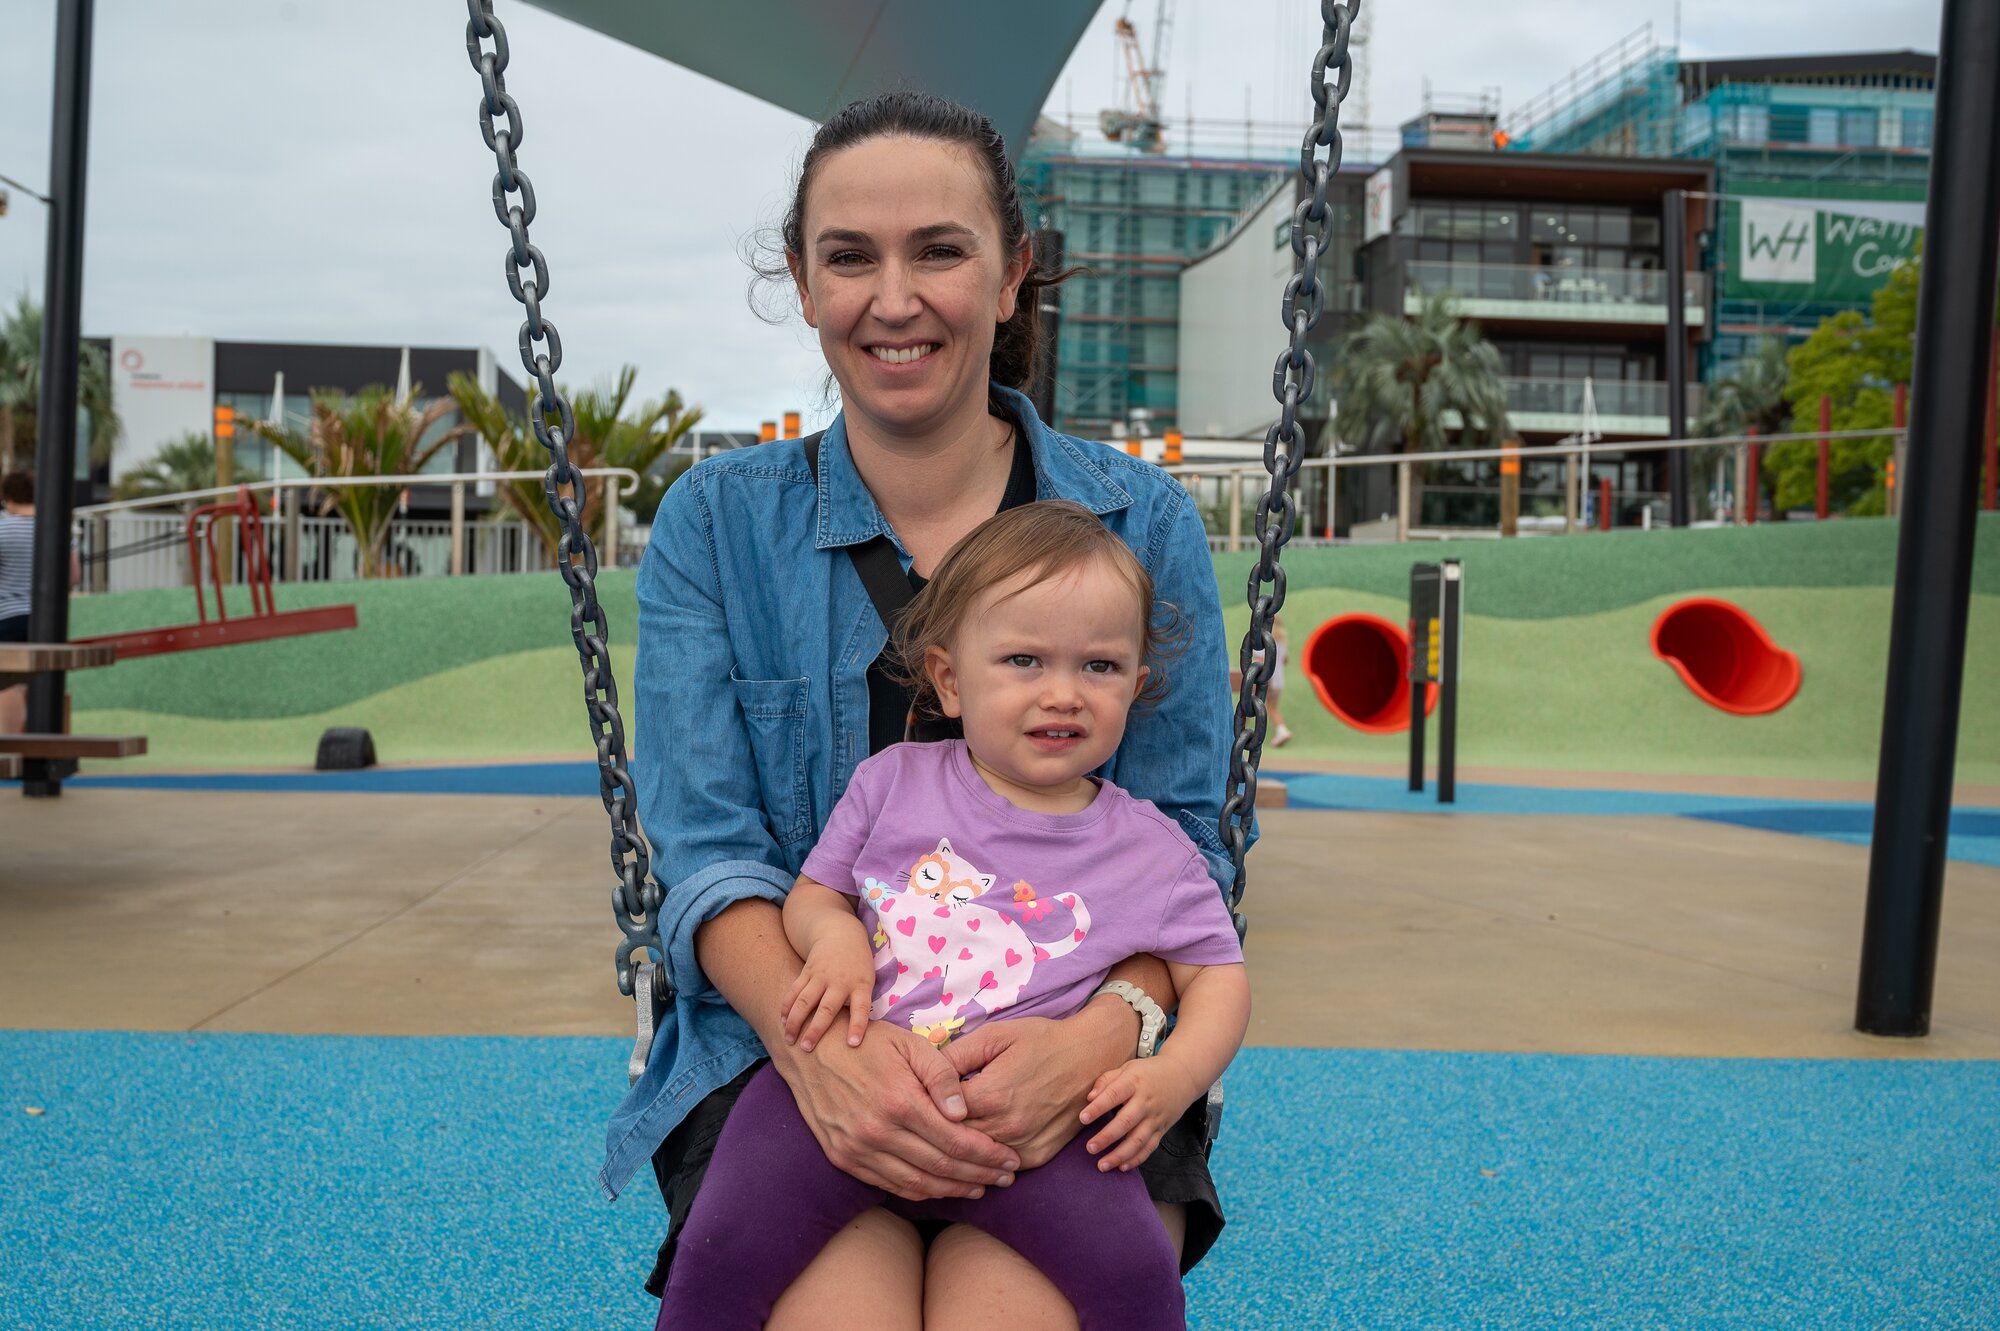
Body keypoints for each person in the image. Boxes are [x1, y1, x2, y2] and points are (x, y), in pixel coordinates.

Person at [609, 90, 1244, 1329]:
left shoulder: (1141, 523)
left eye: (938, 251)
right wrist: (824, 1058)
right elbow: (705, 855)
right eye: (849, 256)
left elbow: (1189, 852)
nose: (892, 299)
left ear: (1011, 275)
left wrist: (1105, 1035)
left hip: (1077, 1056)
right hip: (789, 1047)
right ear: (800, 282)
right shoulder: (717, 523)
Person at [656, 501, 1250, 1330]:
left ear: (1138, 686)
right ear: (948, 678)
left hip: (1035, 1128)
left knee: (1137, 1273)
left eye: (1101, 667)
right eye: (1023, 660)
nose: (1062, 693)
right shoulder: (893, 782)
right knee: (719, 1245)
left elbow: (1217, 974)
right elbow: (818, 894)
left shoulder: (1152, 849)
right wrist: (832, 943)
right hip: (849, 1084)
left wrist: (1172, 1075)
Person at [0, 471, 80, 734]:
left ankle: (8, 746)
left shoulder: (3, 529)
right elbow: (73, 577)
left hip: (8, 616)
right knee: (44, 679)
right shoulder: (56, 528)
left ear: (8, 498)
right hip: (47, 618)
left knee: (9, 682)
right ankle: (46, 745)